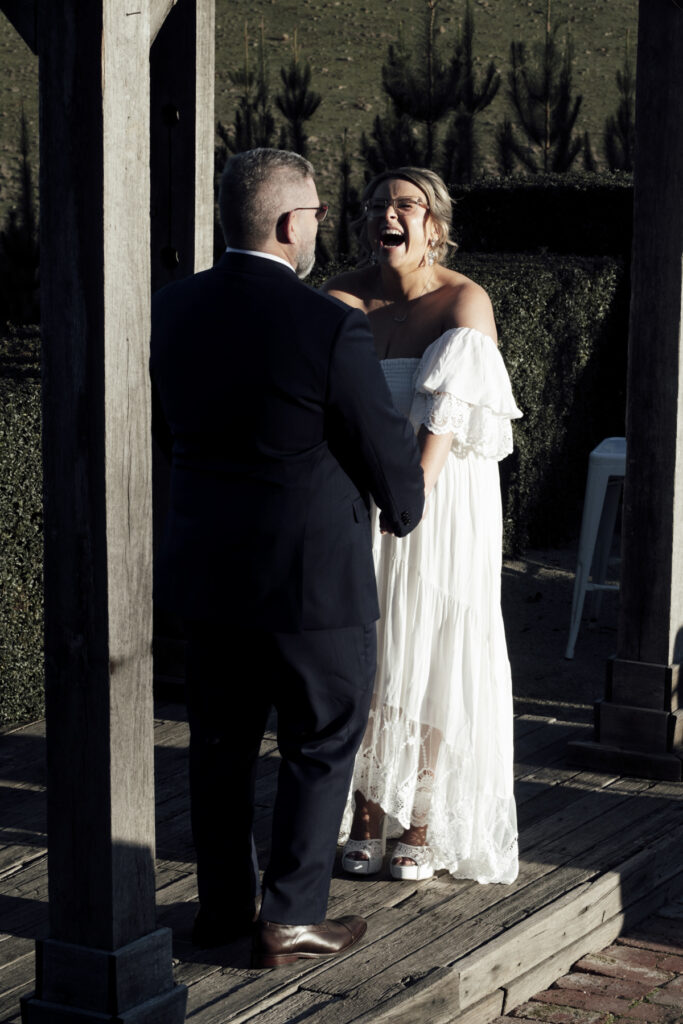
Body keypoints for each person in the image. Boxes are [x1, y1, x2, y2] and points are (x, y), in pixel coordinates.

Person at [150, 149, 424, 968]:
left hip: (208, 568)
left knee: (220, 745)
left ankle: (224, 913)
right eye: (311, 213)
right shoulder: (325, 321)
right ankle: (293, 915)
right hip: (315, 579)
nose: (316, 226)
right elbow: (376, 440)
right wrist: (404, 508)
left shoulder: (175, 307)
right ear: (285, 224)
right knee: (321, 737)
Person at [322, 166, 521, 885]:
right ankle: (367, 813)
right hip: (355, 493)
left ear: (434, 224)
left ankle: (423, 820)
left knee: (434, 649)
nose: (388, 213)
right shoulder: (341, 299)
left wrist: (406, 500)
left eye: (404, 203)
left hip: (438, 502)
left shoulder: (464, 301)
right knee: (369, 652)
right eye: (377, 204)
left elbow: (442, 426)